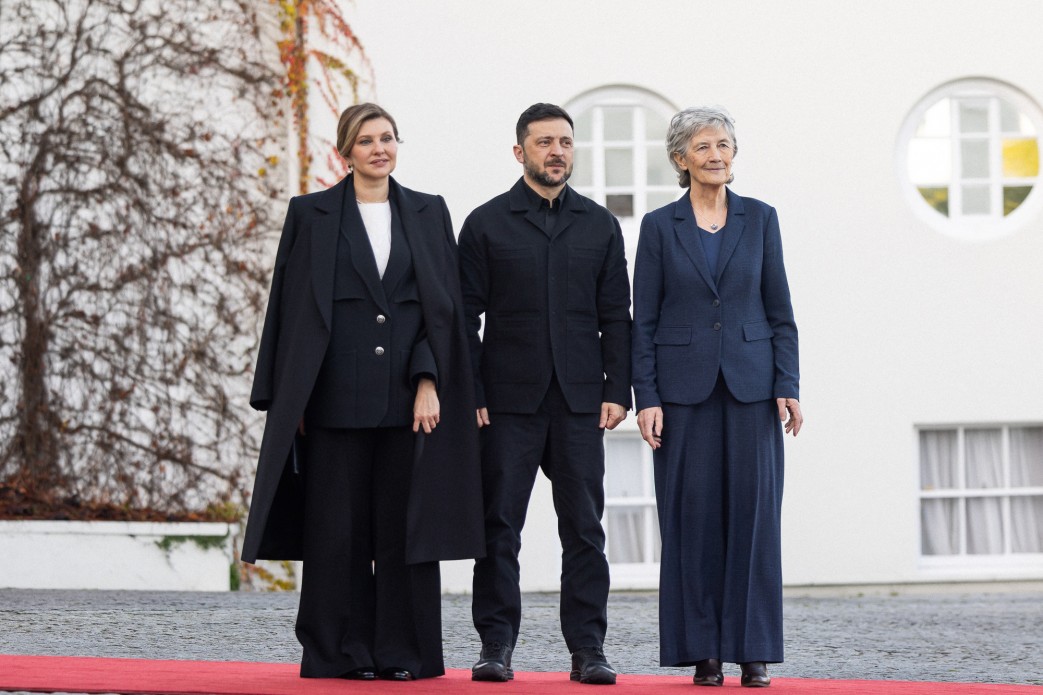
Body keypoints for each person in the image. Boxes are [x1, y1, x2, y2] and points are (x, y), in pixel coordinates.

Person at [240, 103, 484, 681]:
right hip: (330, 402)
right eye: (368, 140)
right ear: (345, 152)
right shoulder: (311, 213)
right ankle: (340, 653)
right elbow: (287, 306)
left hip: (407, 402)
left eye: (389, 138)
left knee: (405, 531)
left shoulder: (429, 211)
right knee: (337, 533)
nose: (381, 148)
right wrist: (284, 398)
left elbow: (443, 308)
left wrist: (430, 380)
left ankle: (405, 653)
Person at [459, 103, 632, 686]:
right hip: (507, 402)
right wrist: (474, 390)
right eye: (543, 143)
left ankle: (589, 650)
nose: (556, 151)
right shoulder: (485, 224)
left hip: (582, 402)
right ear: (520, 152)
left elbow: (617, 316)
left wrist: (618, 387)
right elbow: (464, 318)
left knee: (584, 530)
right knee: (499, 527)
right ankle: (496, 646)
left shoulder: (600, 225)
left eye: (564, 141)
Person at [631, 106, 802, 688]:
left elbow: (780, 310)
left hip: (753, 389)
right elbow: (643, 321)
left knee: (755, 521)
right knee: (692, 520)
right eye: (704, 146)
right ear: (681, 158)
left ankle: (752, 650)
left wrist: (788, 385)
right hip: (682, 395)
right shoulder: (658, 226)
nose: (717, 155)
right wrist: (646, 396)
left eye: (725, 145)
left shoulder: (761, 219)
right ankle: (702, 650)